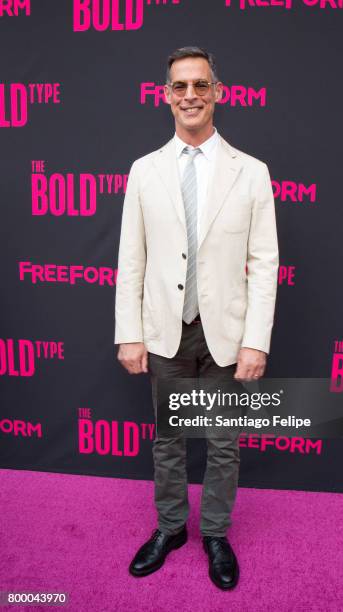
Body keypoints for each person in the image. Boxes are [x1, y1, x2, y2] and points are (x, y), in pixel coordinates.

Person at [114, 46, 279, 590]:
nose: (190, 95)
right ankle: (170, 527)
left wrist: (256, 341)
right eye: (180, 86)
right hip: (165, 330)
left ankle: (214, 533)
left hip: (226, 335)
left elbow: (264, 263)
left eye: (200, 85)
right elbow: (131, 259)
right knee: (168, 439)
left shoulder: (252, 173)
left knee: (224, 441)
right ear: (166, 96)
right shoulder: (144, 171)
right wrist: (130, 334)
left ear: (218, 92)